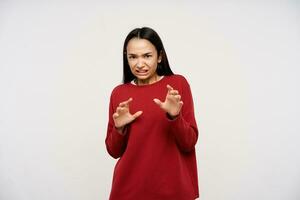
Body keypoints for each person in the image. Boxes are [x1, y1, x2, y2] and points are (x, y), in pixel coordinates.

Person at [105, 27, 199, 200]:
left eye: (147, 56)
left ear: (160, 56)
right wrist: (119, 129)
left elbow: (189, 143)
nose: (139, 64)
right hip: (128, 190)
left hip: (173, 189)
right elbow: (113, 151)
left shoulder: (178, 84)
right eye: (133, 57)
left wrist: (174, 117)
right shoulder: (119, 93)